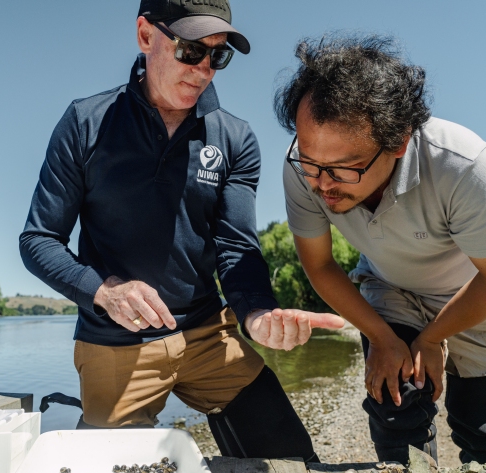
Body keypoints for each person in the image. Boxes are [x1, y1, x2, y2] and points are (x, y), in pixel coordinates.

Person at [20, 0, 343, 461]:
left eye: (219, 55)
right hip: (115, 342)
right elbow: (38, 240)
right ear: (145, 36)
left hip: (209, 333)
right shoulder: (85, 122)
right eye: (191, 50)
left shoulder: (234, 138)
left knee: (291, 458)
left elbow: (236, 248)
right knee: (111, 467)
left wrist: (257, 314)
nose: (205, 69)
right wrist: (105, 291)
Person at [275, 34, 486, 465]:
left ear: (398, 143)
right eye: (311, 162)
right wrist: (380, 336)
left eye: (343, 169)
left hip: (473, 291)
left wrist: (433, 338)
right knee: (396, 408)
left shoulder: (464, 167)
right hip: (390, 287)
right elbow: (319, 266)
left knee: (485, 429)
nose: (321, 183)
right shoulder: (304, 168)